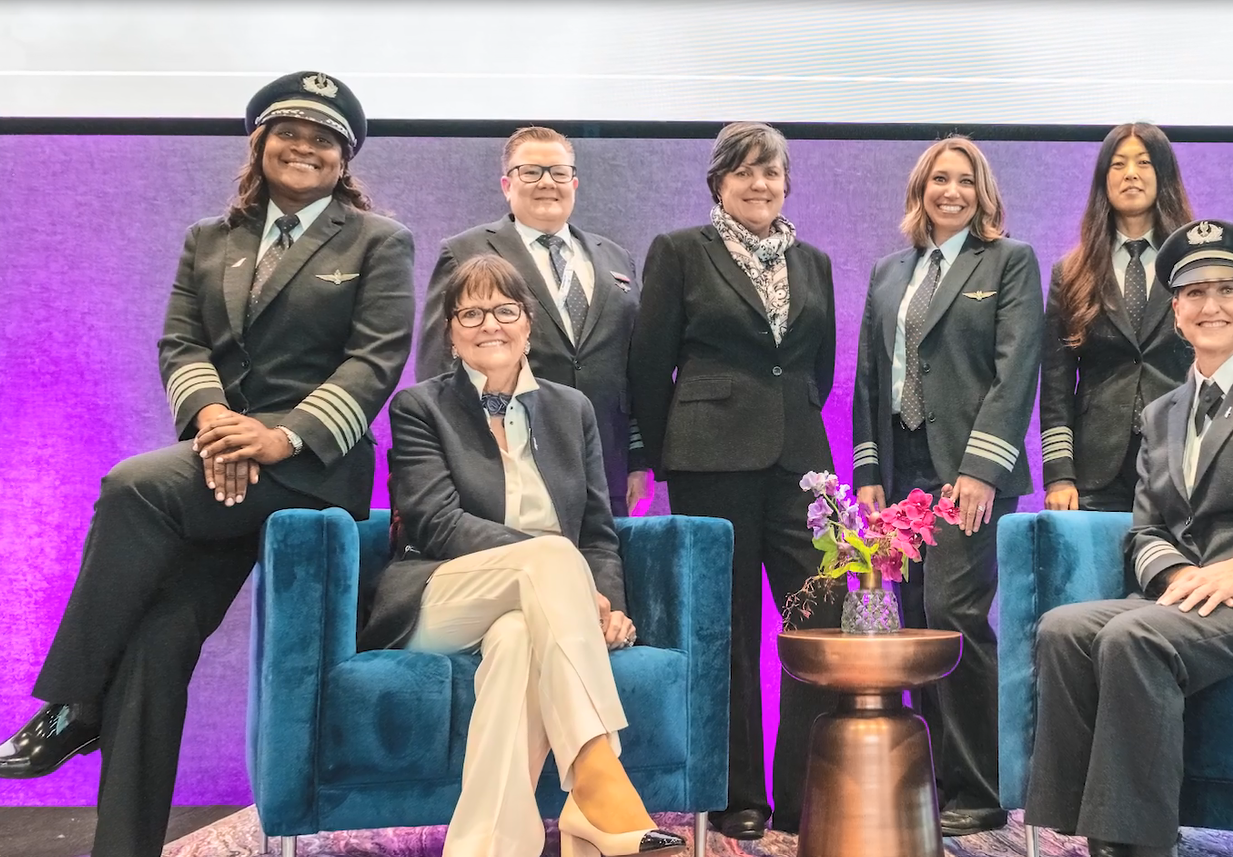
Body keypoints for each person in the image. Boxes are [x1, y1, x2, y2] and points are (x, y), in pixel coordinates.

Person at [0, 72, 414, 857]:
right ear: (260, 142)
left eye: (324, 139)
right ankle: (123, 846)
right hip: (221, 463)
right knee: (155, 645)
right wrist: (215, 423)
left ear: (343, 158)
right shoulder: (207, 239)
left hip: (312, 470)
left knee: (132, 484)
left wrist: (278, 438)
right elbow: (181, 344)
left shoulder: (377, 240)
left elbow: (375, 359)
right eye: (290, 132)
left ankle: (72, 706)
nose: (305, 147)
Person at [1026, 220, 1233, 857]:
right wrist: (1180, 578)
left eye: (1228, 289)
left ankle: (1136, 842)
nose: (1211, 305)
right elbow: (1147, 529)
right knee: (1063, 628)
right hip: (1197, 599)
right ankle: (1077, 828)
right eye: (1193, 293)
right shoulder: (1161, 413)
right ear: (1176, 312)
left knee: (1135, 634)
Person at [360, 255, 684, 857]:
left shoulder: (571, 409)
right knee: (553, 557)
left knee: (515, 639)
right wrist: (561, 576)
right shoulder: (419, 408)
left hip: (545, 603)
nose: (491, 324)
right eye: (472, 312)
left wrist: (604, 601)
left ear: (528, 323)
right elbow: (437, 524)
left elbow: (598, 530)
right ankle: (597, 780)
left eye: (505, 310)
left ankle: (486, 847)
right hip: (440, 595)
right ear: (451, 332)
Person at [626, 122, 840, 840]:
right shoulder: (682, 251)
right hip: (707, 459)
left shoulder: (814, 259)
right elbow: (651, 365)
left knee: (823, 612)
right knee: (729, 630)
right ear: (717, 181)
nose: (760, 184)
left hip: (801, 464)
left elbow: (821, 367)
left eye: (772, 172)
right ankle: (736, 792)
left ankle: (802, 792)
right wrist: (649, 459)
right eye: (745, 172)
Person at [851, 135, 1043, 836]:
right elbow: (872, 376)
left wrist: (981, 469)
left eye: (964, 180)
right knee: (911, 621)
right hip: (902, 473)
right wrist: (868, 472)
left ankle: (981, 785)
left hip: (968, 474)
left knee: (954, 615)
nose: (951, 191)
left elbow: (1016, 368)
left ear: (983, 192)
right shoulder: (888, 271)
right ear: (920, 190)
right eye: (939, 179)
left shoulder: (1010, 262)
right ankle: (931, 779)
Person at [415, 126, 651, 516]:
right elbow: (438, 364)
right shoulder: (465, 251)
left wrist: (637, 457)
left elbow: (632, 367)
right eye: (531, 172)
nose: (547, 183)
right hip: (504, 459)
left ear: (573, 182)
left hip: (605, 460)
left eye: (558, 172)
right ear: (507, 184)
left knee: (601, 571)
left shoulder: (615, 258)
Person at [1040, 123, 1195, 512]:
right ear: (1103, 180)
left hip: (1183, 457)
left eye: (1143, 162)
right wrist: (1060, 473)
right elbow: (1056, 386)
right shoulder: (1072, 271)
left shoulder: (1195, 265)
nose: (1130, 173)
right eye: (1118, 164)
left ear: (1163, 175)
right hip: (1096, 470)